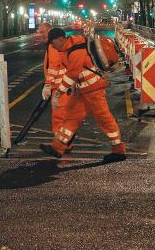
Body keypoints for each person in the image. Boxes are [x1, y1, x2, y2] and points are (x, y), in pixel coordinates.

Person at [39, 28, 126, 163]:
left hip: (94, 90)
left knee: (104, 119)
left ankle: (119, 150)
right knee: (71, 118)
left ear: (61, 39)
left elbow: (72, 74)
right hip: (82, 91)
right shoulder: (68, 49)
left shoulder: (76, 49)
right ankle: (58, 147)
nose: (52, 45)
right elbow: (64, 70)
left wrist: (58, 93)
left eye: (53, 42)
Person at [37, 23, 73, 151]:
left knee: (59, 117)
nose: (40, 35)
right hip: (63, 86)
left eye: (42, 32)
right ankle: (64, 143)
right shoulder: (54, 44)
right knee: (64, 116)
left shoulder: (53, 46)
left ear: (48, 31)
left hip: (60, 87)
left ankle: (60, 146)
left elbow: (53, 67)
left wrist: (48, 86)